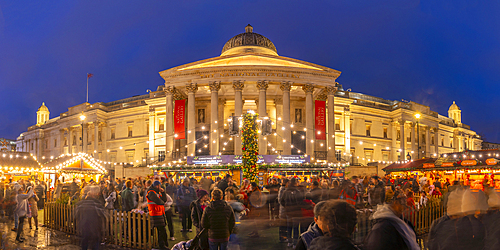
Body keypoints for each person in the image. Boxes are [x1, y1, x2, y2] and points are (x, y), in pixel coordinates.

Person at [76, 186, 106, 250]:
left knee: (85, 240)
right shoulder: (97, 203)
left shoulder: (82, 203)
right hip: (94, 226)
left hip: (85, 225)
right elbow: (101, 215)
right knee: (95, 241)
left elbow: (77, 215)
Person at [280, 178, 303, 248]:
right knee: (295, 228)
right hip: (296, 212)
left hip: (288, 212)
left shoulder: (286, 191)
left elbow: (281, 201)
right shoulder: (298, 192)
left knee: (289, 227)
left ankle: (289, 242)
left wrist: (286, 207)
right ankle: (295, 243)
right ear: (295, 183)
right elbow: (301, 200)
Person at [147, 180, 169, 250]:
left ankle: (164, 244)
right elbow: (158, 201)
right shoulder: (151, 193)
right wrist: (163, 203)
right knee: (161, 230)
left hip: (160, 213)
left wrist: (163, 192)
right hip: (155, 213)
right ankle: (162, 245)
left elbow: (164, 200)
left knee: (162, 229)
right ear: (156, 186)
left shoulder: (157, 192)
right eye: (158, 186)